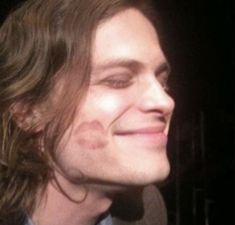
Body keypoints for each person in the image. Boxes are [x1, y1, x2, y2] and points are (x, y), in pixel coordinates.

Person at [0, 0, 175, 225]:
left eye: (163, 83)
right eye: (118, 81)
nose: (165, 101)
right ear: (29, 111)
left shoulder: (148, 212)